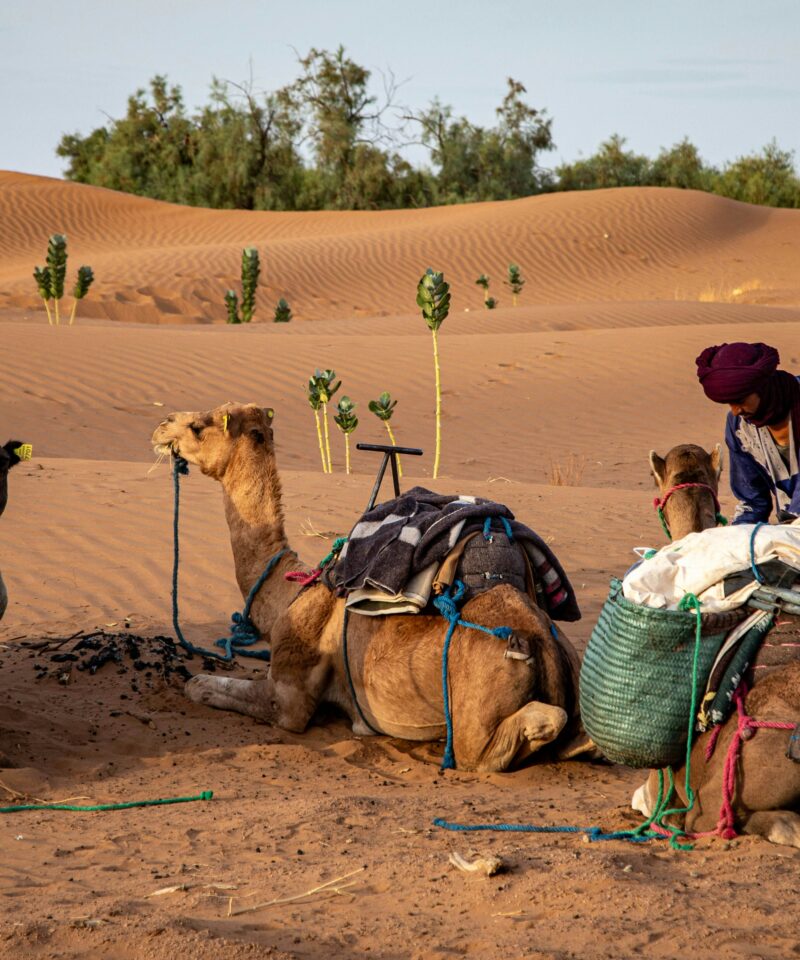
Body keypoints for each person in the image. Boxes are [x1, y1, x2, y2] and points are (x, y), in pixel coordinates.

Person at [696, 341, 800, 524]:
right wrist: (740, 536)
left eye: (740, 400)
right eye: (729, 403)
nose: (736, 410)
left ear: (763, 387)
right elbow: (752, 502)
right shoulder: (739, 427)